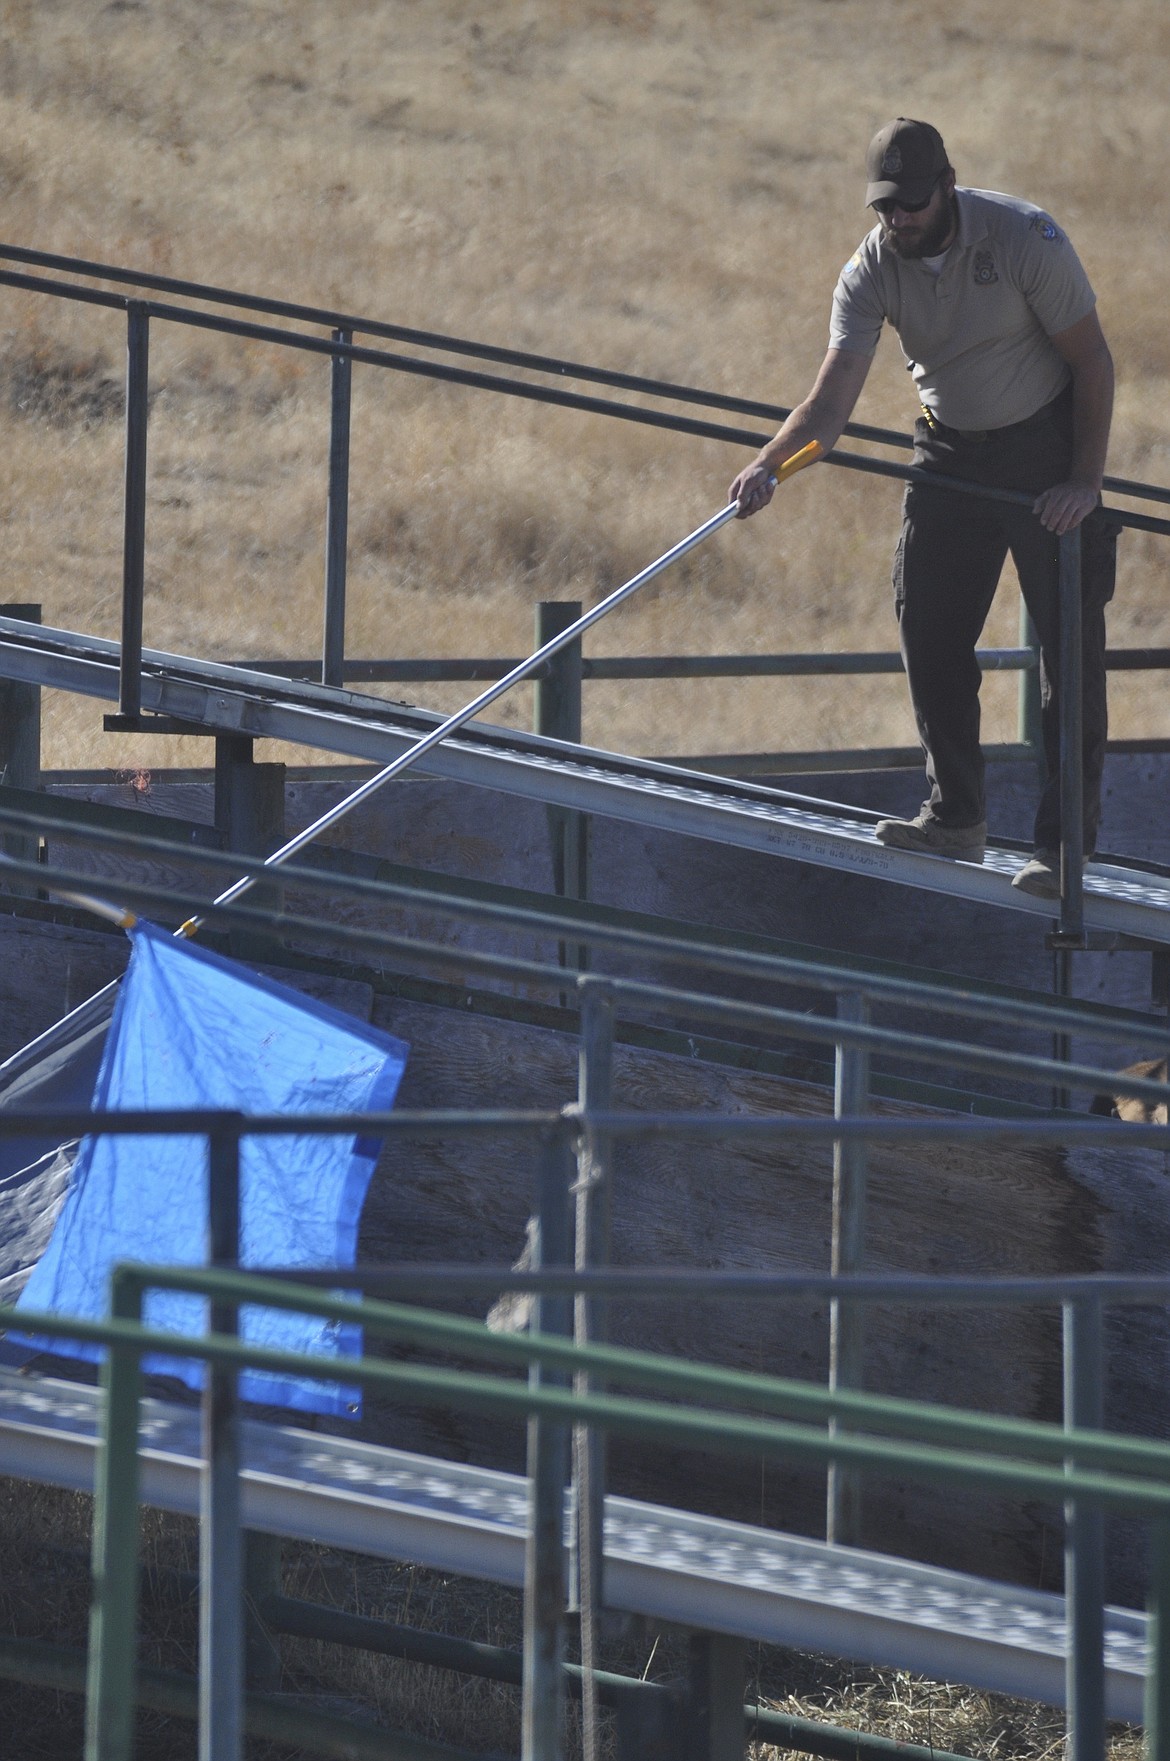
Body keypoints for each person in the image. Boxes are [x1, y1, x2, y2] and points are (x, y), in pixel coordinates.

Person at [730, 117, 1118, 899]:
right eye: (885, 206)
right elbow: (830, 404)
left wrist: (1083, 480)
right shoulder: (872, 267)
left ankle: (1064, 849)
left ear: (947, 186)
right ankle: (956, 817)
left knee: (1068, 654)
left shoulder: (1021, 237)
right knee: (927, 625)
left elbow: (1093, 360)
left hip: (1044, 445)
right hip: (948, 450)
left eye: (910, 203)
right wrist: (769, 466)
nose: (897, 220)